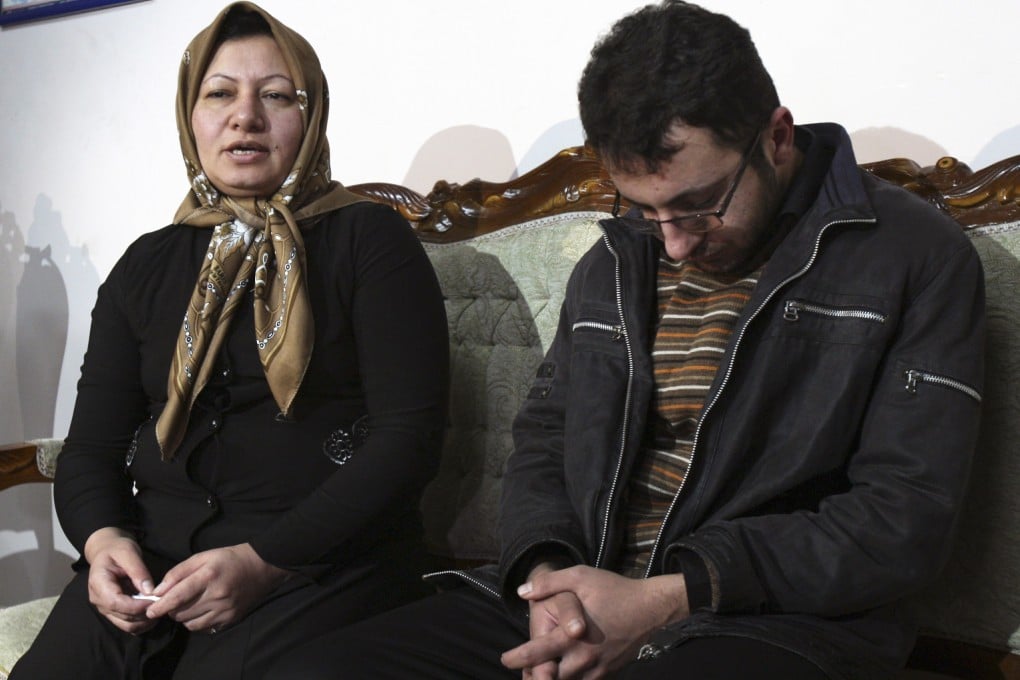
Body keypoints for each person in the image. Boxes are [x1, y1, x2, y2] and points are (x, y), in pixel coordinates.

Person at [266, 2, 987, 679]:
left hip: (768, 621)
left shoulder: (913, 257)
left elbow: (904, 519)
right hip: (577, 594)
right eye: (642, 209)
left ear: (776, 134)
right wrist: (546, 577)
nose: (672, 245)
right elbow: (546, 439)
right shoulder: (614, 260)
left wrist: (670, 597)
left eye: (699, 205)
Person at [10, 2, 448, 678]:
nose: (246, 116)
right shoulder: (148, 265)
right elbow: (92, 446)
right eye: (220, 94)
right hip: (153, 563)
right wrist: (102, 544)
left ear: (313, 115)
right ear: (191, 115)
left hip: (318, 563)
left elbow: (407, 439)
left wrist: (262, 561)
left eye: (276, 95)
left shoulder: (370, 242)